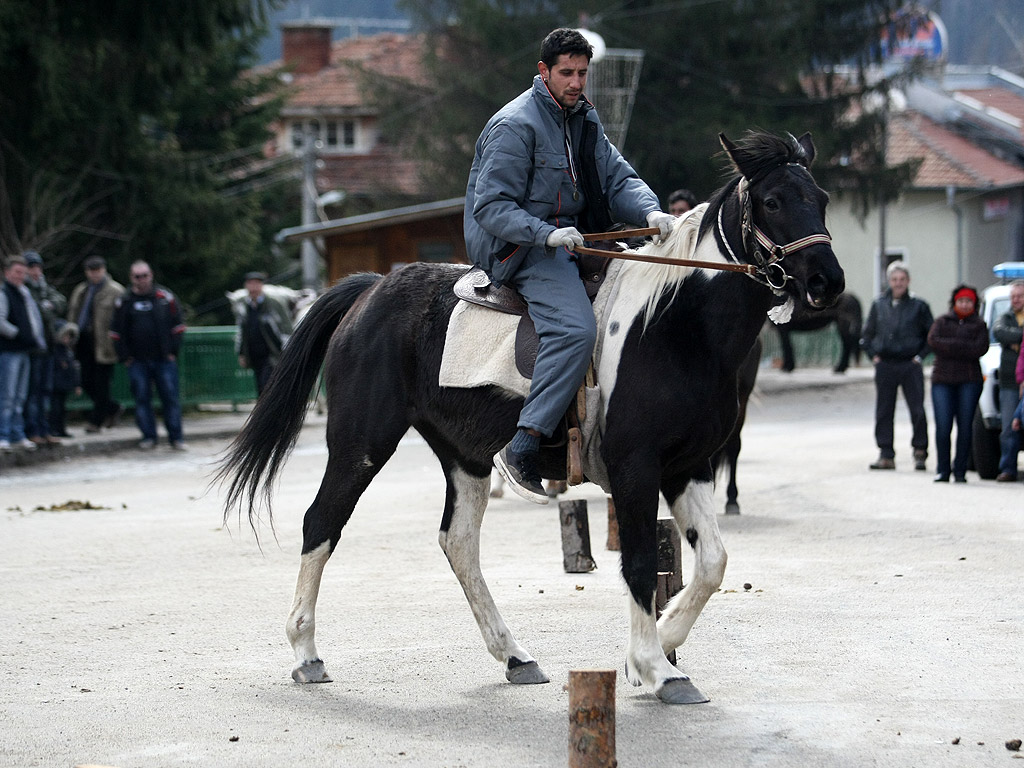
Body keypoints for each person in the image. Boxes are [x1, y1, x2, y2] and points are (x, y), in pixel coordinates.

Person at [464, 27, 675, 504]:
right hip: (519, 246)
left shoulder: (583, 118)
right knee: (577, 330)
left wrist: (650, 212)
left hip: (571, 238)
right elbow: (491, 207)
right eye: (567, 73)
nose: (577, 81)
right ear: (543, 72)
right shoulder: (515, 125)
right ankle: (524, 445)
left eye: (583, 72)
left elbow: (617, 176)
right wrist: (546, 234)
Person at [860, 261, 934, 471]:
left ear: (908, 281)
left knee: (917, 410)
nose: (898, 283)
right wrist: (873, 356)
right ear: (889, 281)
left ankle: (920, 452)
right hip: (885, 364)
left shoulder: (919, 306)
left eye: (902, 279)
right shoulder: (879, 305)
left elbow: (931, 336)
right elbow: (866, 335)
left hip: (910, 364)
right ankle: (886, 454)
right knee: (884, 410)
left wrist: (920, 357)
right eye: (894, 279)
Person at [109, 260, 187, 450]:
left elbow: (179, 326)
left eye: (144, 275)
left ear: (151, 275)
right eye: (137, 276)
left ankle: (176, 438)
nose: (141, 280)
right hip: (136, 361)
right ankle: (148, 437)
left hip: (164, 359)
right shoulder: (124, 301)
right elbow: (115, 332)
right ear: (131, 278)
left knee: (170, 398)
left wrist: (172, 351)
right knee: (142, 399)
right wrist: (124, 356)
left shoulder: (164, 297)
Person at [926, 285, 989, 483]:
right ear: (954, 303)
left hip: (969, 381)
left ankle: (960, 470)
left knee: (965, 426)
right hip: (942, 381)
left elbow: (980, 348)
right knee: (943, 427)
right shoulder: (942, 321)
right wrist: (962, 346)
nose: (964, 304)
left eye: (968, 301)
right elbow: (934, 341)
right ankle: (943, 470)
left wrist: (951, 345)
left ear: (974, 303)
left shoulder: (979, 325)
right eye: (961, 300)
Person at [67, 256, 125, 433]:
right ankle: (112, 408)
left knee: (102, 383)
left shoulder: (115, 291)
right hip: (84, 340)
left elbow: (122, 319)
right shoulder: (82, 290)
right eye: (92, 271)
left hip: (104, 343)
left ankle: (96, 421)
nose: (95, 274)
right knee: (85, 381)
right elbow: (73, 313)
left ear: (104, 270)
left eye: (98, 270)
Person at [0, 255, 47, 452]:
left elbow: (34, 318)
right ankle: (4, 434)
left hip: (25, 350)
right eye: (17, 272)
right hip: (10, 350)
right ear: (7, 273)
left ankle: (17, 434)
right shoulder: (3, 293)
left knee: (20, 396)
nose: (20, 276)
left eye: (23, 273)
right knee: (7, 396)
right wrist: (19, 334)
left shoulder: (24, 292)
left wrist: (35, 338)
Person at [23, 250, 67, 446]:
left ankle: (44, 429)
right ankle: (32, 430)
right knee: (32, 393)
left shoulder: (43, 287)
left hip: (48, 347)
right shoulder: (23, 290)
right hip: (32, 350)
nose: (35, 271)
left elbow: (60, 302)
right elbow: (37, 312)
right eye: (31, 267)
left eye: (37, 267)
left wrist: (48, 306)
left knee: (45, 391)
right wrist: (47, 307)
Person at [234, 271, 294, 396]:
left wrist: (286, 350)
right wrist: (241, 353)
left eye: (256, 283)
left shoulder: (273, 303)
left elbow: (286, 327)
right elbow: (241, 330)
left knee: (267, 384)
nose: (253, 287)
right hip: (254, 353)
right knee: (260, 386)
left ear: (262, 285)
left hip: (272, 352)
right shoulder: (243, 305)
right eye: (250, 283)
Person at [992, 280, 1024, 482]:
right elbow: (999, 332)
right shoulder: (1005, 317)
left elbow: (1010, 337)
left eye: (1020, 296)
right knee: (1008, 427)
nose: (1016, 300)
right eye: (1013, 296)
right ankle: (1007, 468)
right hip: (1009, 382)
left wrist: (1015, 341)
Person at [49, 321, 80, 438]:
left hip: (65, 384)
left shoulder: (68, 352)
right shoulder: (55, 351)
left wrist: (77, 384)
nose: (67, 339)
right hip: (56, 384)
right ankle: (54, 428)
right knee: (55, 408)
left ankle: (61, 429)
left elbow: (73, 369)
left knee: (62, 408)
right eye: (65, 336)